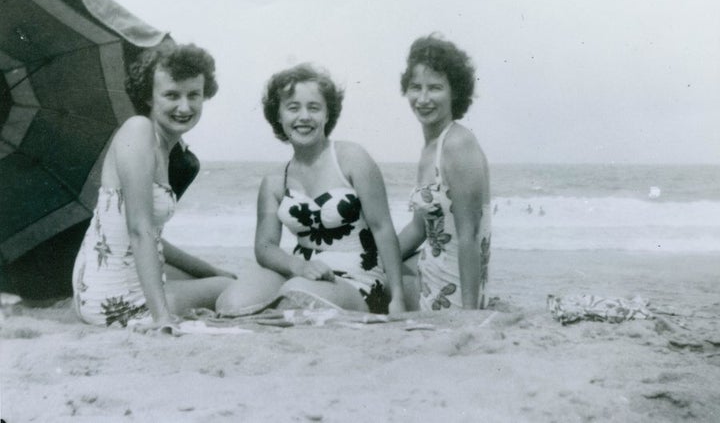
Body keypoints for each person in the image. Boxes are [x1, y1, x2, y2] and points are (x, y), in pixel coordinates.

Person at [218, 64, 405, 315]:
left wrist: (398, 298)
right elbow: (265, 247)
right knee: (232, 302)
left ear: (327, 115)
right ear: (279, 115)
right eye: (293, 107)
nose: (304, 116)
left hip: (357, 276)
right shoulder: (275, 182)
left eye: (314, 107)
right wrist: (296, 265)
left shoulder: (352, 159)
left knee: (297, 294)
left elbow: (383, 228)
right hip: (301, 271)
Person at [72, 43, 235, 330]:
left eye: (193, 95)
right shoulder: (139, 130)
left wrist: (210, 269)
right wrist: (162, 319)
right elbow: (139, 229)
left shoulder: (162, 147)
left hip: (96, 286)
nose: (184, 107)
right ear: (148, 97)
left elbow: (148, 235)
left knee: (215, 277)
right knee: (228, 288)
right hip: (114, 300)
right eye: (172, 95)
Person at [398, 34, 491, 311]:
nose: (423, 99)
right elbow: (418, 229)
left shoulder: (458, 144)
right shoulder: (431, 149)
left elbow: (469, 235)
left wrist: (469, 315)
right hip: (428, 273)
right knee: (375, 276)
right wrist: (374, 258)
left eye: (435, 88)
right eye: (416, 87)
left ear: (455, 92)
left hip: (451, 291)